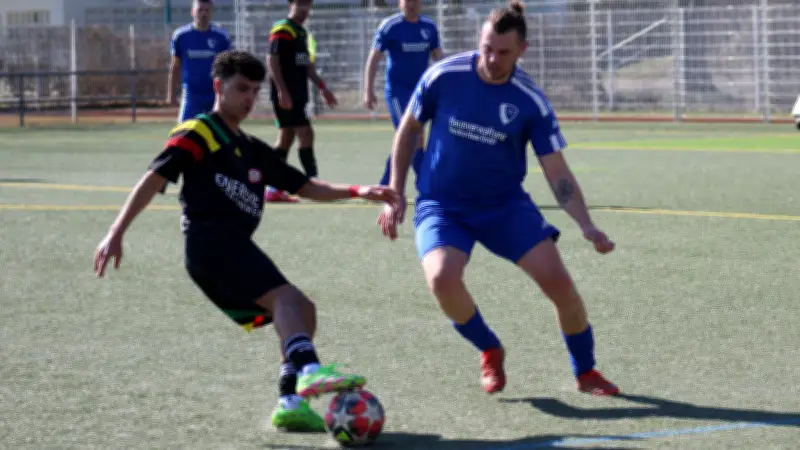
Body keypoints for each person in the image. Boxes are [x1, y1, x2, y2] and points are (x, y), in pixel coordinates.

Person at [95, 50, 400, 432]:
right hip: (211, 244)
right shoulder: (200, 132)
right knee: (285, 299)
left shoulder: (253, 149)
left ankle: (290, 401)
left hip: (233, 246)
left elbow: (305, 186)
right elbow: (154, 178)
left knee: (302, 310)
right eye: (241, 88)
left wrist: (358, 190)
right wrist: (116, 232)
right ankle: (309, 369)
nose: (249, 98)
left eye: (255, 91)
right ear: (218, 87)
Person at [377, 1, 620, 397]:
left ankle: (586, 371)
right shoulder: (443, 75)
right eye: (487, 48)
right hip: (442, 205)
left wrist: (586, 224)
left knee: (561, 285)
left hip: (504, 207)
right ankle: (490, 348)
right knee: (441, 279)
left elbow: (557, 171)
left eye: (503, 52)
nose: (491, 59)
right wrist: (395, 192)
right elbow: (407, 131)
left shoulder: (529, 100)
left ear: (522, 49)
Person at [363, 0, 444, 186]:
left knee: (412, 138)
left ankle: (385, 185)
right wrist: (368, 90)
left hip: (420, 91)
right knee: (412, 133)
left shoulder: (429, 27)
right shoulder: (390, 26)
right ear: (400, 3)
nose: (411, 5)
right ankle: (425, 183)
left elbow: (439, 58)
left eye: (415, 1)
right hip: (398, 92)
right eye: (407, 1)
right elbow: (374, 58)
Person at [265, 0, 337, 203]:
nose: (305, 9)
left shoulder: (301, 32)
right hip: (288, 94)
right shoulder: (283, 29)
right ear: (290, 5)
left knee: (286, 137)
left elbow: (307, 67)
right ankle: (314, 183)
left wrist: (323, 88)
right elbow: (272, 60)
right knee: (305, 133)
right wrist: (282, 91)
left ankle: (272, 187)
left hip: (298, 94)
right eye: (300, 4)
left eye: (308, 4)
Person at [167, 0, 232, 123]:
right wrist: (171, 95)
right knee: (185, 130)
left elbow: (229, 68)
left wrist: (228, 94)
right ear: (192, 12)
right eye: (200, 10)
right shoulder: (181, 36)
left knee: (218, 130)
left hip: (215, 94)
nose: (203, 14)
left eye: (207, 10)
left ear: (211, 12)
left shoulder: (221, 37)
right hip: (191, 95)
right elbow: (175, 66)